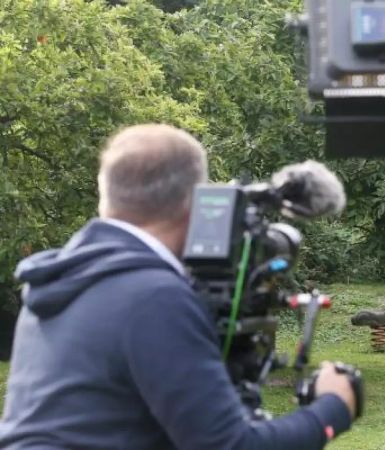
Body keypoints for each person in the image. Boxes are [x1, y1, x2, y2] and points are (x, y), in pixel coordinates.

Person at [0, 124, 357, 449]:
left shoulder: (60, 279)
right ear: (194, 203)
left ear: (107, 195)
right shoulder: (152, 295)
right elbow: (231, 446)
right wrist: (332, 408)